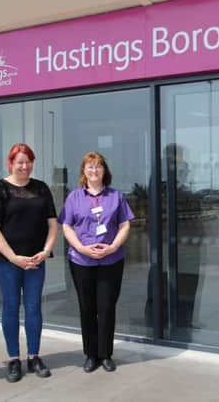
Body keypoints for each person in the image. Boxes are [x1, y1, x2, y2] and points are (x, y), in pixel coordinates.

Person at [0, 143, 58, 383]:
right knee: (10, 307)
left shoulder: (41, 189)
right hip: (9, 262)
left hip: (36, 260)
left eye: (28, 161)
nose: (24, 166)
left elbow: (52, 224)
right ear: (11, 163)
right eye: (19, 162)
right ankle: (14, 359)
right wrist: (12, 257)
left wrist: (46, 251)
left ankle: (34, 356)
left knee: (34, 307)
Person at [58, 152, 134, 373]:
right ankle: (91, 354)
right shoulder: (74, 197)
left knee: (107, 308)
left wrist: (113, 247)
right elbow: (66, 226)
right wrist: (81, 248)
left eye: (98, 166)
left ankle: (106, 354)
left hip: (111, 260)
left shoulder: (116, 196)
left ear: (104, 170)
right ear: (84, 171)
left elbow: (125, 225)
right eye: (89, 167)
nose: (94, 170)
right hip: (82, 261)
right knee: (87, 308)